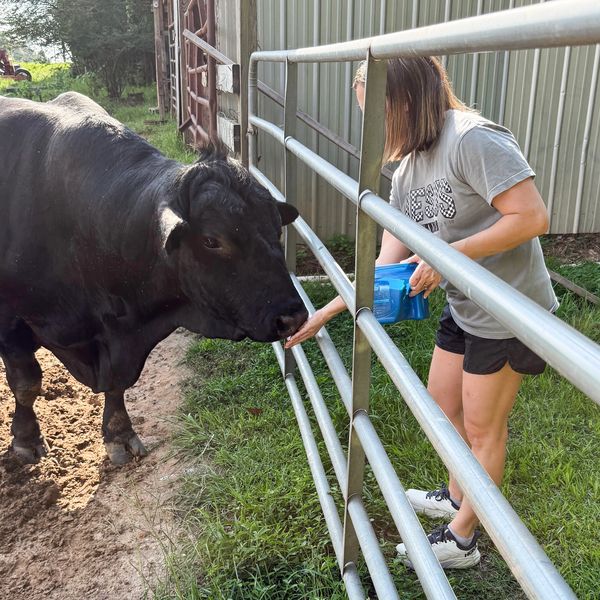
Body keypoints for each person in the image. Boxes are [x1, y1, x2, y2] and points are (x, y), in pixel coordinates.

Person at [285, 56, 558, 569]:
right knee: (441, 403)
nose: (372, 130)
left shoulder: (473, 138)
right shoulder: (408, 169)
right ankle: (460, 493)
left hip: (506, 306)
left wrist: (446, 257)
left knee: (482, 428)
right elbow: (385, 261)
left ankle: (463, 539)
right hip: (464, 301)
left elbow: (532, 216)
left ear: (406, 101)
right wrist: (323, 313)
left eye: (376, 114)